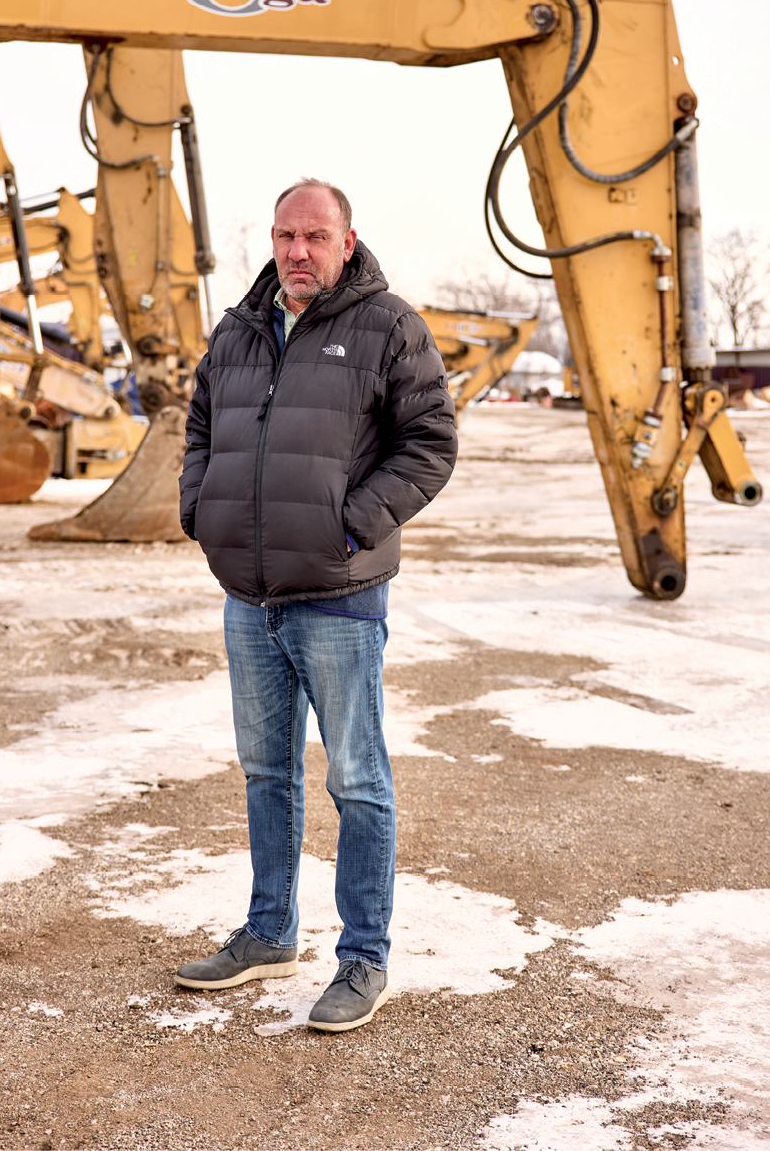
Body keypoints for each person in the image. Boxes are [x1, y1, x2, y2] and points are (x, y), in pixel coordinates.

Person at [175, 178, 457, 1032]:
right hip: (248, 597)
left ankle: (363, 958)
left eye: (315, 237)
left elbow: (430, 443)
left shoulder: (389, 327)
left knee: (358, 781)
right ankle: (268, 932)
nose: (298, 252)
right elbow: (197, 428)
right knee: (267, 775)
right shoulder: (237, 331)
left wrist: (352, 527)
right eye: (285, 236)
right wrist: (202, 509)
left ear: (346, 240)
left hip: (339, 597)